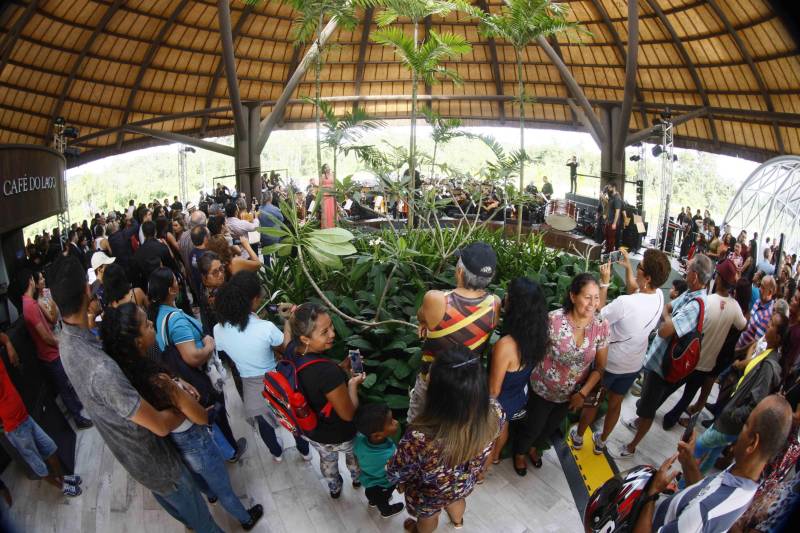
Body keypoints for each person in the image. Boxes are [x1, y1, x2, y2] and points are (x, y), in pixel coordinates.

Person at [51, 257, 224, 532]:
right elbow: (157, 423)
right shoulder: (100, 368)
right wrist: (181, 400)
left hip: (134, 459)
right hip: (156, 461)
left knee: (187, 514)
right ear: (87, 291)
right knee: (203, 521)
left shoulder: (67, 340)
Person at [100, 303, 263, 530]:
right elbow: (199, 417)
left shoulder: (129, 375)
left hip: (176, 445)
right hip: (196, 441)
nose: (151, 325)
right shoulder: (161, 383)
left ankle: (210, 495)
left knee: (200, 479)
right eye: (147, 324)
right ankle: (245, 519)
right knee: (223, 486)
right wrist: (194, 405)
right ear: (138, 342)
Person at [633, 395, 793, 533]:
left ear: (752, 443)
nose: (740, 429)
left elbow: (702, 508)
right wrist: (688, 462)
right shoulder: (744, 477)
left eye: (746, 423)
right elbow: (705, 493)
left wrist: (653, 493)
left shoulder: (705, 512)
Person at [387, 345, 504, 532]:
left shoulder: (420, 437)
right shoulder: (496, 412)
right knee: (456, 501)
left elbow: (398, 469)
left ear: (438, 396)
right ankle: (458, 522)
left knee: (429, 516)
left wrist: (395, 478)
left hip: (430, 493)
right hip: (463, 483)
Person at [571, 249, 670, 455]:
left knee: (594, 401)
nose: (637, 269)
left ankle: (579, 437)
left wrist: (604, 283)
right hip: (633, 364)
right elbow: (637, 289)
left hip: (610, 362)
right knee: (615, 403)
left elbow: (598, 317)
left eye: (639, 267)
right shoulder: (659, 295)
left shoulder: (625, 303)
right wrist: (627, 267)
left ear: (648, 277)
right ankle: (602, 442)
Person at [617, 254, 713, 457]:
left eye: (688, 269)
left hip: (665, 366)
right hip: (658, 359)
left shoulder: (696, 305)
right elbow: (667, 310)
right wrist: (667, 317)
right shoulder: (690, 294)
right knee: (646, 401)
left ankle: (632, 446)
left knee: (649, 407)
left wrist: (666, 318)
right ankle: (637, 422)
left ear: (695, 276)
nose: (685, 271)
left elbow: (664, 330)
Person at [148, 267, 246, 463]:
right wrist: (209, 345)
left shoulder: (159, 314)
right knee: (216, 414)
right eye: (175, 280)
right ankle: (231, 451)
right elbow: (192, 356)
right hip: (199, 376)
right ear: (171, 290)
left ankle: (224, 450)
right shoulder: (175, 321)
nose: (178, 282)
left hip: (184, 376)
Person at [212, 272, 311, 461]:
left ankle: (276, 453)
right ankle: (304, 451)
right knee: (291, 419)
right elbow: (286, 348)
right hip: (276, 381)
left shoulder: (218, 329)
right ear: (253, 300)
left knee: (264, 426)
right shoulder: (265, 328)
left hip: (250, 387)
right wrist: (289, 323)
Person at [518, 273, 609, 472]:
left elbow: (600, 367)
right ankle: (519, 453)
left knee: (550, 427)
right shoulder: (553, 320)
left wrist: (582, 393)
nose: (592, 303)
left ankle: (534, 448)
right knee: (533, 426)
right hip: (542, 389)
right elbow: (533, 352)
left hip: (571, 394)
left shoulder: (601, 326)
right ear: (573, 296)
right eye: (587, 297)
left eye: (596, 297)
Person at [411, 242, 501, 422]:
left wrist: (423, 322)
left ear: (460, 271)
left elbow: (421, 315)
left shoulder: (435, 299)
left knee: (418, 423)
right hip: (465, 384)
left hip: (433, 379)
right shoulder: (494, 304)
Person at [287, 302, 364, 498]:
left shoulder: (292, 350)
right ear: (305, 338)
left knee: (327, 461)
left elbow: (315, 383)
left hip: (313, 431)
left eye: (331, 327)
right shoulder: (327, 372)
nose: (332, 334)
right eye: (324, 332)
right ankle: (357, 479)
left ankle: (334, 488)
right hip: (340, 432)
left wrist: (340, 369)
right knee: (353, 456)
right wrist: (352, 385)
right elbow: (348, 414)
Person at [694, 313, 788, 474]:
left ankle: (683, 481)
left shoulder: (768, 366)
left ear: (778, 337)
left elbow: (756, 400)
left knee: (698, 445)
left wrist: (733, 414)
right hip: (731, 415)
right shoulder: (766, 352)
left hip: (731, 421)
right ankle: (691, 484)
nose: (767, 325)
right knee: (713, 454)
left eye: (772, 325)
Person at [662, 259, 747, 429]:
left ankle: (651, 406)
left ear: (719, 279)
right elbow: (743, 325)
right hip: (708, 363)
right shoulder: (735, 307)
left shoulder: (706, 301)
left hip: (690, 357)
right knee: (688, 395)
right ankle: (670, 419)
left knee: (670, 386)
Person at [11, 269, 92, 429]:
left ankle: (78, 409)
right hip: (50, 354)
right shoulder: (31, 306)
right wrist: (62, 342)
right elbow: (45, 336)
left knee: (66, 385)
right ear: (30, 281)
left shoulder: (29, 303)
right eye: (37, 278)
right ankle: (78, 418)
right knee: (65, 387)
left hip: (50, 352)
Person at [0, 336, 81, 496]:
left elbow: (3, 336)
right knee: (38, 466)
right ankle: (62, 487)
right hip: (14, 427)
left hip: (25, 416)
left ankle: (64, 479)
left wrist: (9, 344)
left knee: (50, 448)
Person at [487, 277, 550, 473]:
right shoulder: (539, 335)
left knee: (488, 436)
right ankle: (496, 457)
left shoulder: (506, 345)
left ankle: (481, 471)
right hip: (517, 396)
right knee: (503, 426)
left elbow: (494, 390)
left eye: (509, 296)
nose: (505, 298)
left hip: (500, 399)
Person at [353, 403, 404, 518]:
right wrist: (401, 483)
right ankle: (386, 511)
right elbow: (395, 471)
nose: (396, 422)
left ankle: (373, 501)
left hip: (367, 480)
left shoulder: (359, 440)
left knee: (372, 494)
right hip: (384, 484)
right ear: (377, 436)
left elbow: (356, 456)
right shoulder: (389, 454)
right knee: (383, 500)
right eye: (391, 422)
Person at [735, 275, 776, 355]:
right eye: (760, 286)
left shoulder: (767, 315)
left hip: (742, 354)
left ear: (770, 292)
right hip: (739, 344)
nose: (760, 289)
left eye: (763, 287)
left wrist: (738, 351)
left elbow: (755, 343)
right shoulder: (758, 301)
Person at [605, 183, 622, 253]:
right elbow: (609, 204)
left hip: (612, 222)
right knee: (607, 237)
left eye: (609, 188)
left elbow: (617, 212)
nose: (608, 189)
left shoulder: (617, 198)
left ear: (614, 188)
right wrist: (603, 197)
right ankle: (607, 251)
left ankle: (609, 254)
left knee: (611, 240)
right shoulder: (612, 196)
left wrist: (614, 223)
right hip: (608, 221)